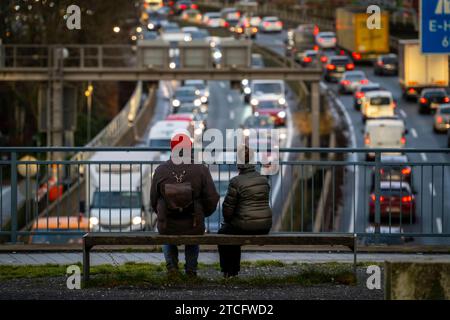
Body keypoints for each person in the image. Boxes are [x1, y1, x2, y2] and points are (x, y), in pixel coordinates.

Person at [150, 132, 219, 277]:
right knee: (193, 239)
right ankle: (191, 270)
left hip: (167, 223)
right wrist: (201, 213)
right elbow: (212, 198)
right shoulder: (201, 169)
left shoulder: (161, 170)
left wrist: (164, 213)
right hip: (194, 223)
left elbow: (153, 200)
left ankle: (172, 268)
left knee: (167, 236)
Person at [218, 145, 272, 277]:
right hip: (265, 226)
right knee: (233, 230)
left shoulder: (236, 181)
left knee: (224, 234)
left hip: (245, 225)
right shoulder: (264, 180)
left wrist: (228, 221)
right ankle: (233, 271)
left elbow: (227, 209)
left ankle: (229, 271)